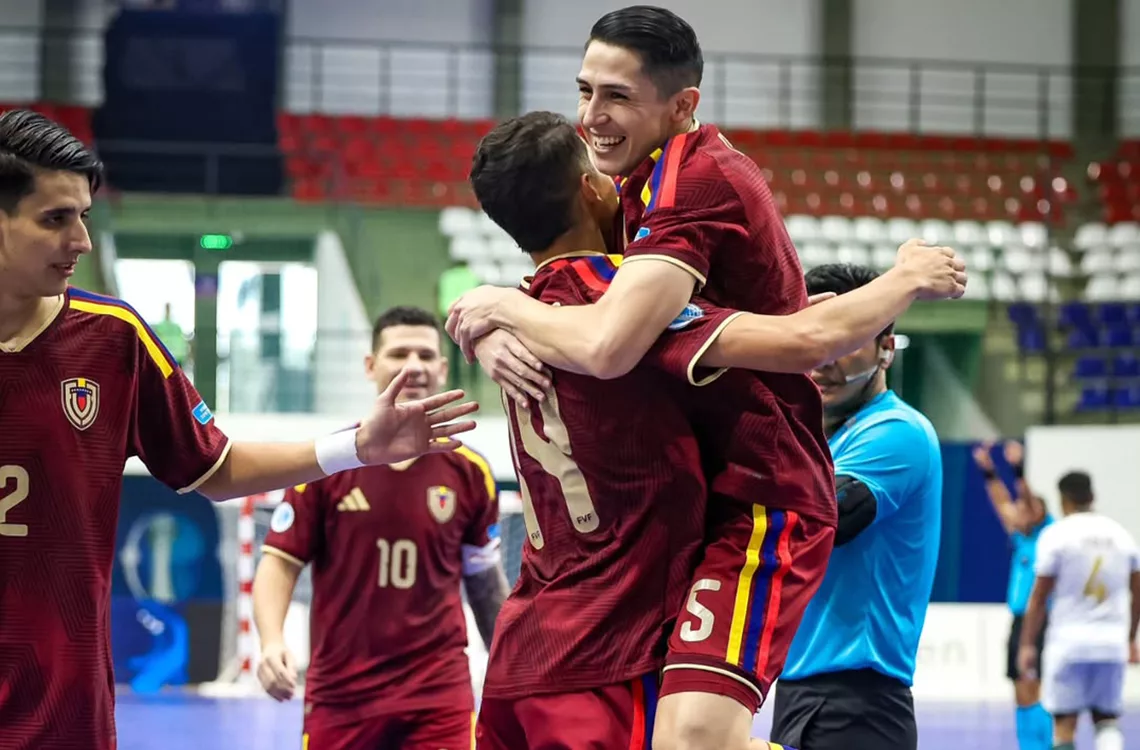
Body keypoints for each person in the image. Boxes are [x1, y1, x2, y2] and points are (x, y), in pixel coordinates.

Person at [446, 8, 966, 749]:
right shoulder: (630, 192)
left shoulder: (693, 185)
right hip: (680, 519)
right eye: (585, 91)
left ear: (682, 105)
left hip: (762, 497)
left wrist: (495, 306)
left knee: (692, 739)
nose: (593, 116)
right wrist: (488, 326)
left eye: (618, 97)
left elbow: (612, 343)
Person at [0, 109, 478, 750]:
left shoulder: (115, 340)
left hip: (62, 709)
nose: (82, 239)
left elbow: (217, 469)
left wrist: (356, 446)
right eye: (56, 218)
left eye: (85, 215)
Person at [253, 305, 508, 750]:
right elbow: (279, 563)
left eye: (426, 356)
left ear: (443, 368)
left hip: (438, 696)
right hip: (342, 697)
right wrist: (271, 641)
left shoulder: (471, 472)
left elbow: (484, 581)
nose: (414, 366)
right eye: (399, 354)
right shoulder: (328, 463)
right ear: (370, 366)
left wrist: (511, 668)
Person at [767, 263, 942, 750]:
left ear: (886, 347)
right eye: (812, 342)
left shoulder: (896, 431)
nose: (821, 361)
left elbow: (823, 522)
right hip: (802, 690)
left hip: (857, 702)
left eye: (843, 342)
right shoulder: (819, 442)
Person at [1019, 471, 1140, 750]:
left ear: (1063, 501)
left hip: (1068, 642)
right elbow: (1138, 592)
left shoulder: (1056, 535)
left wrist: (1027, 644)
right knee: (1107, 720)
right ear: (1093, 496)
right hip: (1111, 642)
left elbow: (1038, 597)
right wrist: (1130, 638)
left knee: (1064, 725)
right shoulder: (1120, 535)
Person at [975, 439, 1054, 750]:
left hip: (1039, 620)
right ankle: (1027, 745)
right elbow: (1001, 502)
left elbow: (1027, 500)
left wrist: (1018, 469)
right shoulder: (1021, 539)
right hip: (1018, 620)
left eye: (1024, 508)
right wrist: (989, 472)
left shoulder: (1047, 532)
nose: (1017, 511)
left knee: (1033, 684)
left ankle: (1044, 744)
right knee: (1018, 684)